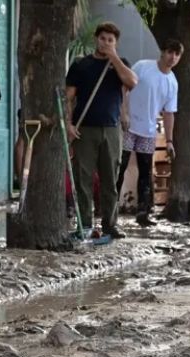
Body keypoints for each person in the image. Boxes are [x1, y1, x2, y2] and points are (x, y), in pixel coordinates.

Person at [65, 21, 138, 239]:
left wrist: (114, 58)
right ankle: (85, 224)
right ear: (96, 39)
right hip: (84, 129)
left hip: (112, 128)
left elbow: (132, 82)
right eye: (102, 38)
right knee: (83, 178)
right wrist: (68, 124)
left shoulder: (120, 64)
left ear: (115, 43)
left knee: (110, 179)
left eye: (110, 40)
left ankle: (110, 224)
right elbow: (68, 97)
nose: (105, 43)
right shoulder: (81, 64)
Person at [116, 39, 183, 227]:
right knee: (119, 167)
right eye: (170, 52)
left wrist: (169, 140)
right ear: (162, 52)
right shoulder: (143, 67)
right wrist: (123, 112)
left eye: (177, 54)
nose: (173, 58)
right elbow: (123, 88)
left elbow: (169, 112)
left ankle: (144, 212)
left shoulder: (172, 82)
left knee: (145, 171)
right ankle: (110, 210)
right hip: (128, 125)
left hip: (148, 129)